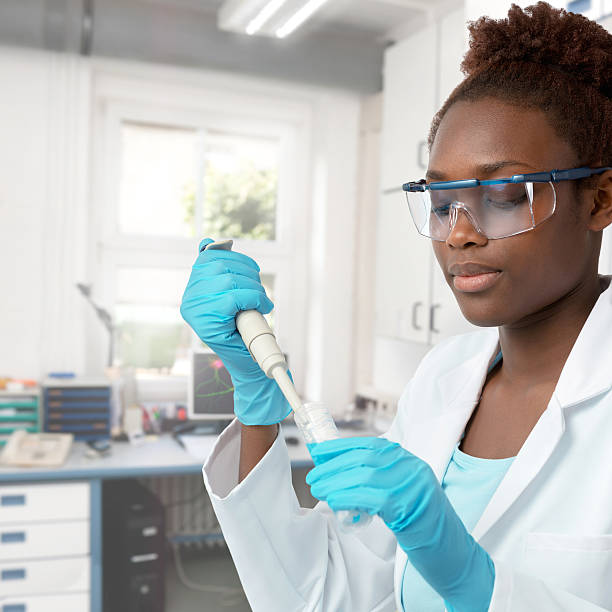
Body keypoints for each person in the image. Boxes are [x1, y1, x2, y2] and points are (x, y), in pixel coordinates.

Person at [179, 3, 612, 610]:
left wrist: (474, 583)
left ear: (599, 199)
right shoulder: (443, 380)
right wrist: (257, 404)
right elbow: (326, 596)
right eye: (440, 202)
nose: (459, 233)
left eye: (507, 195)